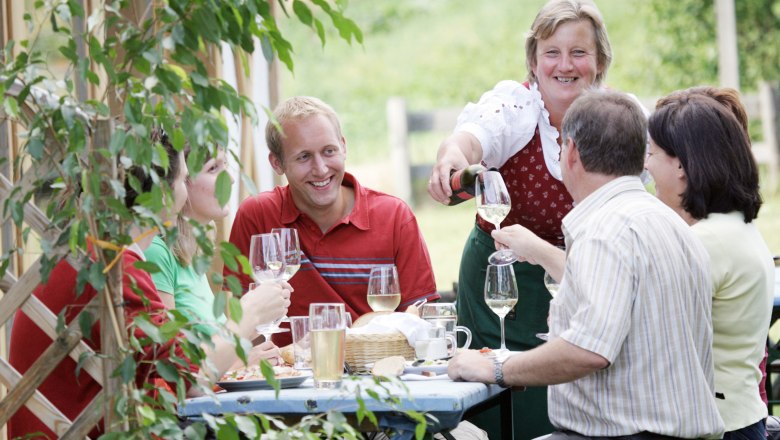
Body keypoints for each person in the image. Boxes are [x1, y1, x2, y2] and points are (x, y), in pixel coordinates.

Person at [449, 89, 726, 438]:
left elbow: (589, 350)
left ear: (572, 152)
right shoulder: (670, 222)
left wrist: (498, 368)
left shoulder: (603, 231)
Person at [9, 129, 290, 438]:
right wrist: (248, 314)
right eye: (184, 180)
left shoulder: (89, 252)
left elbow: (168, 370)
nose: (186, 192)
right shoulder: (114, 265)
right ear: (160, 193)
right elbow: (189, 380)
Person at [426, 0, 613, 436]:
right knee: (501, 409)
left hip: (577, 285)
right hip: (498, 286)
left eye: (579, 52)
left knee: (574, 409)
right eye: (552, 52)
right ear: (533, 59)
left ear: (600, 61)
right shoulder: (515, 108)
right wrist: (449, 159)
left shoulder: (614, 121)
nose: (564, 65)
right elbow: (468, 141)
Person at [226, 96, 438, 347]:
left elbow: (422, 318)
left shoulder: (394, 217)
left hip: (373, 373)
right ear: (277, 163)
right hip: (284, 377)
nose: (320, 169)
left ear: (343, 147)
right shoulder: (257, 216)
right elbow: (235, 315)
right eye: (303, 157)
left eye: (329, 151)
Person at [646, 87, 774, 439]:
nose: (646, 164)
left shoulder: (706, 242)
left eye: (652, 153)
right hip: (740, 416)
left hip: (717, 425)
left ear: (682, 166)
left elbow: (638, 322)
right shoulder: (733, 226)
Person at [145, 145, 288, 366]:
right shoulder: (157, 251)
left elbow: (213, 347)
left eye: (226, 166)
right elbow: (169, 367)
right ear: (180, 181)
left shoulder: (191, 254)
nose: (230, 179)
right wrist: (242, 360)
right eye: (213, 169)